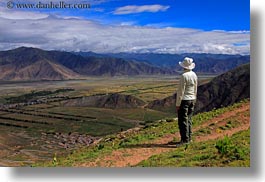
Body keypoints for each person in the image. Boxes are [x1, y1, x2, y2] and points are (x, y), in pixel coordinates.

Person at [176, 57, 198, 144]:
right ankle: (189, 138)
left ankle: (184, 140)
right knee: (189, 119)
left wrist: (178, 104)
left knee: (182, 120)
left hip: (184, 100)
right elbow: (195, 88)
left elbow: (181, 91)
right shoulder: (194, 75)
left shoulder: (183, 76)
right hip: (192, 99)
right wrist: (195, 98)